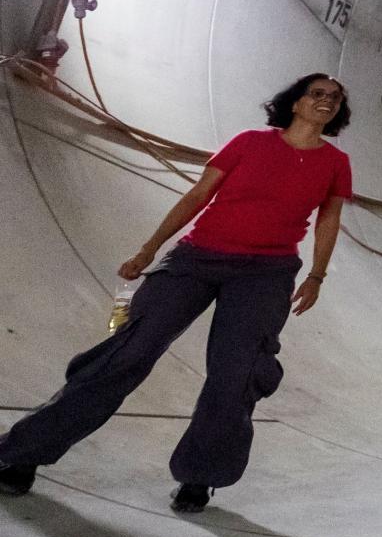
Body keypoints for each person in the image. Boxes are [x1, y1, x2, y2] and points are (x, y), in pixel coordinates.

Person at [0, 74, 351, 513]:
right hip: (197, 258)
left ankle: (199, 476)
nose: (327, 101)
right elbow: (199, 195)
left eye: (335, 99)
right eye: (317, 94)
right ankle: (21, 453)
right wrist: (149, 249)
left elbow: (329, 220)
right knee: (128, 350)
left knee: (236, 374)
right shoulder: (249, 142)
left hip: (266, 273)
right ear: (295, 103)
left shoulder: (335, 162)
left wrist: (316, 275)